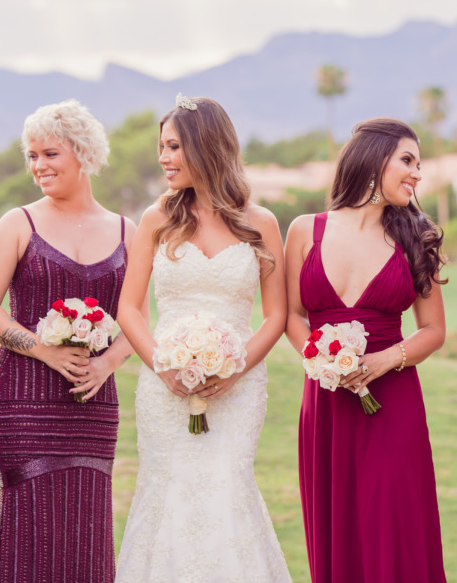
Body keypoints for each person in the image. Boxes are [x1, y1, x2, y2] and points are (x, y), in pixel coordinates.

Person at [114, 94, 292, 582]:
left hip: (239, 386)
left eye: (173, 147)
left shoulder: (261, 224)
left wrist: (235, 369)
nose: (163, 158)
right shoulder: (155, 220)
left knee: (228, 488)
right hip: (163, 387)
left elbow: (276, 316)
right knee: (166, 492)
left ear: (206, 147)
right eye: (161, 147)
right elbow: (128, 308)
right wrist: (161, 365)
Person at [0, 100, 141, 582]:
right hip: (24, 402)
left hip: (93, 404)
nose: (38, 166)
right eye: (31, 156)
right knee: (33, 529)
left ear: (83, 154)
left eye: (50, 154)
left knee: (86, 532)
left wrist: (107, 364)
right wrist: (42, 348)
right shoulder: (16, 224)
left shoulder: (129, 231)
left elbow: (139, 318)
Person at [285, 117, 448, 582]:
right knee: (338, 530)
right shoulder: (304, 230)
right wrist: (319, 358)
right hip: (326, 406)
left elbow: (434, 330)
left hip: (393, 406)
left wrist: (385, 359)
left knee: (396, 527)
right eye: (408, 160)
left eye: (419, 164)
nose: (417, 174)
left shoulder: (416, 237)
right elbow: (293, 317)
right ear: (374, 159)